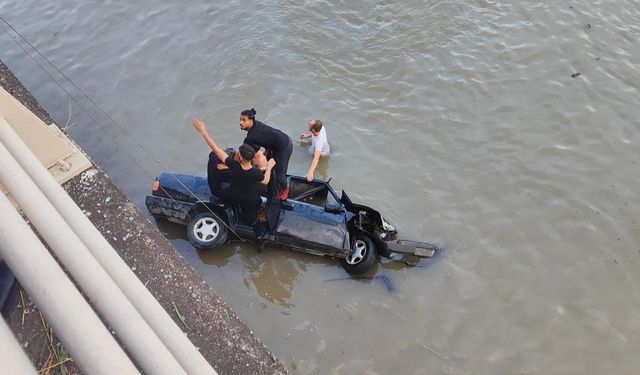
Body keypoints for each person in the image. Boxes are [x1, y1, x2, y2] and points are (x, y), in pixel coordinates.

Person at [193, 118, 275, 237]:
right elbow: (266, 180)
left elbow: (215, 149)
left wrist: (203, 131)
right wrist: (269, 167)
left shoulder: (233, 165)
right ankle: (259, 236)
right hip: (249, 199)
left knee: (225, 189)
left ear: (240, 157)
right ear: (252, 158)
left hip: (233, 193)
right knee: (253, 220)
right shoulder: (255, 173)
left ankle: (221, 204)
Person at [239, 108, 293, 200]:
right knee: (272, 167)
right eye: (240, 120)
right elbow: (266, 136)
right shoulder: (256, 125)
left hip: (284, 146)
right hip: (278, 143)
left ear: (251, 120)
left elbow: (245, 157)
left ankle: (285, 189)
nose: (240, 122)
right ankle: (271, 181)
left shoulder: (250, 137)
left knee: (280, 174)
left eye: (244, 120)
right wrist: (267, 150)